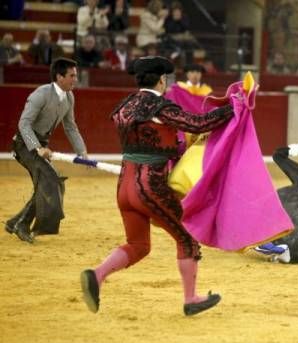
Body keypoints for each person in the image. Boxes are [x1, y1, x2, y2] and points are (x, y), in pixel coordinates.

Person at [80, 56, 234, 316]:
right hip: (150, 186)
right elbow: (198, 123)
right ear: (162, 80)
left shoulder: (125, 106)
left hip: (124, 187)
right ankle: (190, 299)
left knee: (138, 244)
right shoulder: (159, 107)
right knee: (186, 237)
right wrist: (231, 108)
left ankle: (97, 274)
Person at [5, 58, 88, 243]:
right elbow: (23, 124)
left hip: (40, 146)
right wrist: (37, 147)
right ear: (59, 77)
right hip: (24, 144)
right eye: (72, 76)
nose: (75, 79)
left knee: (50, 182)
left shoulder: (69, 97)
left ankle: (15, 222)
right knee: (51, 181)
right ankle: (22, 225)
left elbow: (70, 127)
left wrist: (82, 152)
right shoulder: (41, 94)